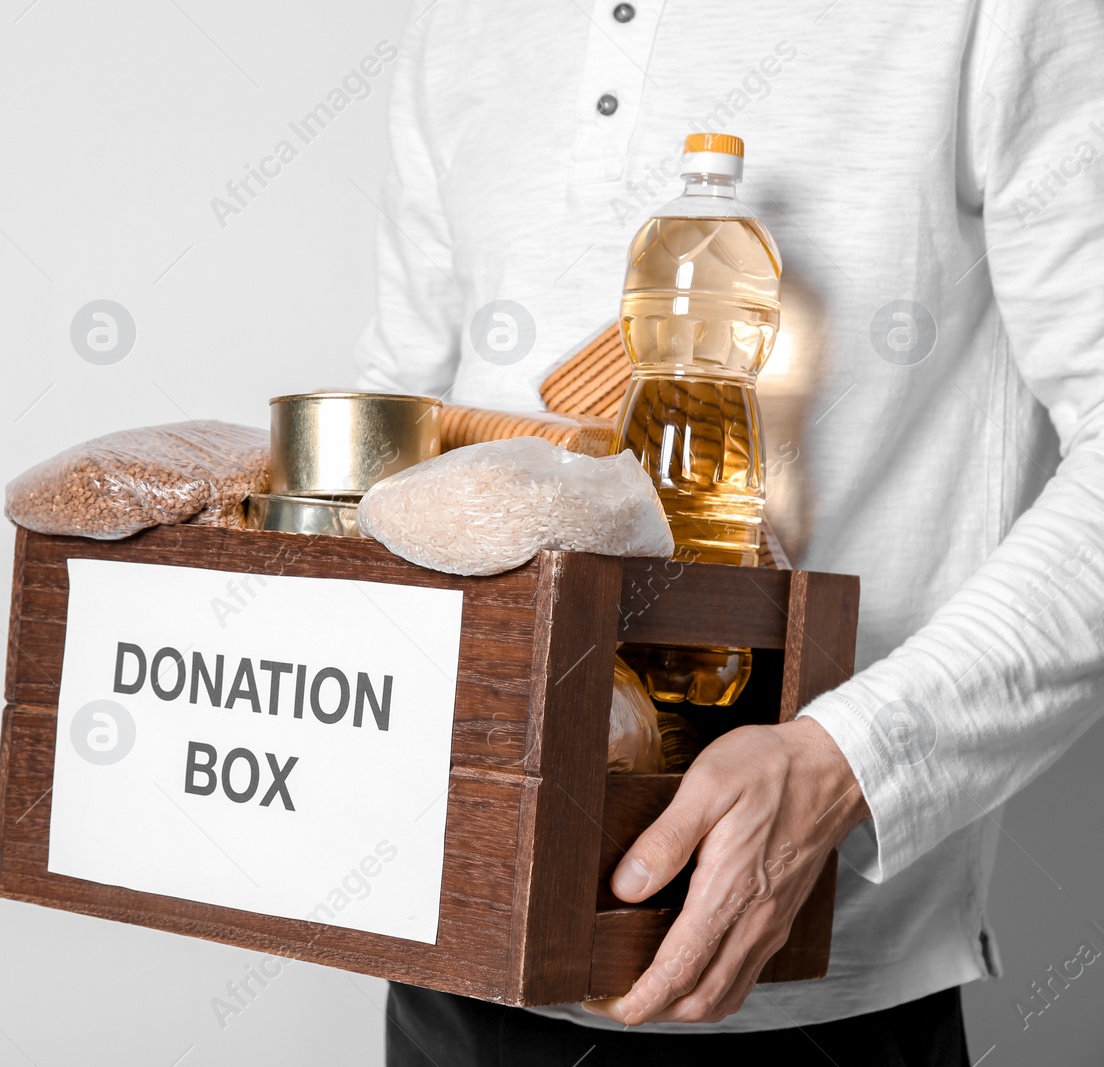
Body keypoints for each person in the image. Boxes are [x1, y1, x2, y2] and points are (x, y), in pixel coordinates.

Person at [353, 1, 1104, 1063]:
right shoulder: (460, 21)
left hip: (794, 968)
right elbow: (399, 414)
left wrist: (849, 760)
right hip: (456, 937)